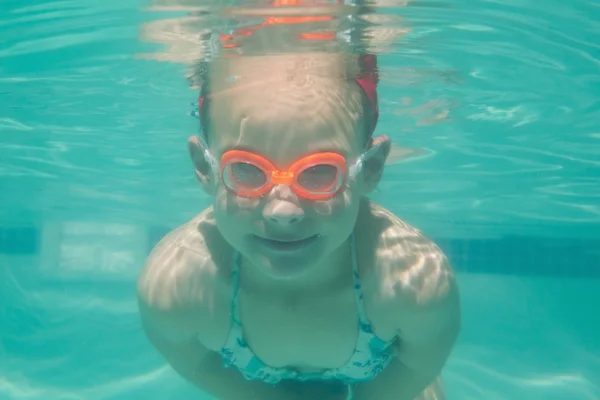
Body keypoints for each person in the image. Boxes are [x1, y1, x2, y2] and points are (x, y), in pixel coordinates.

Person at [137, 2, 460, 399]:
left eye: (320, 171)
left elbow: (416, 363)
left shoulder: (412, 283)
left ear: (371, 168)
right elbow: (193, 361)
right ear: (204, 170)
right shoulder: (177, 286)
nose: (283, 211)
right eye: (247, 170)